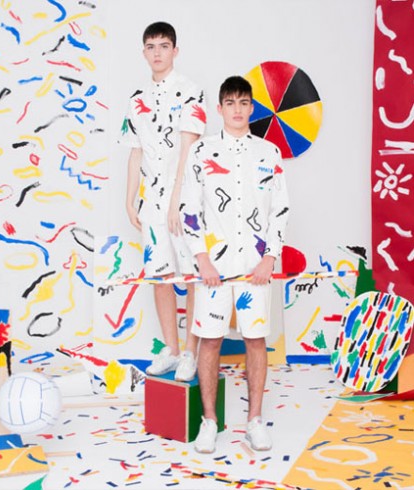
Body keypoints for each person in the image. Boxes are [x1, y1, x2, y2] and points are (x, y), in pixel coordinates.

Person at [180, 76, 289, 453]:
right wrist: (202, 258)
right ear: (220, 108)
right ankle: (209, 421)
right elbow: (189, 208)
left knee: (255, 341)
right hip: (213, 270)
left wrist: (270, 257)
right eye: (231, 103)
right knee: (209, 341)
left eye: (244, 102)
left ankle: (254, 421)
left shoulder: (269, 153)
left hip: (255, 270)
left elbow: (280, 209)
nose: (238, 109)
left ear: (252, 108)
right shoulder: (202, 152)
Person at [119, 22, 207, 381]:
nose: (157, 52)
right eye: (151, 46)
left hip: (184, 199)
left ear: (175, 50)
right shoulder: (136, 99)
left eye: (164, 45)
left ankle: (190, 352)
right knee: (159, 276)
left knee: (192, 275)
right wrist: (130, 200)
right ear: (144, 52)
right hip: (151, 201)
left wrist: (176, 203)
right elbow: (135, 152)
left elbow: (189, 150)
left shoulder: (191, 92)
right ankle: (170, 349)